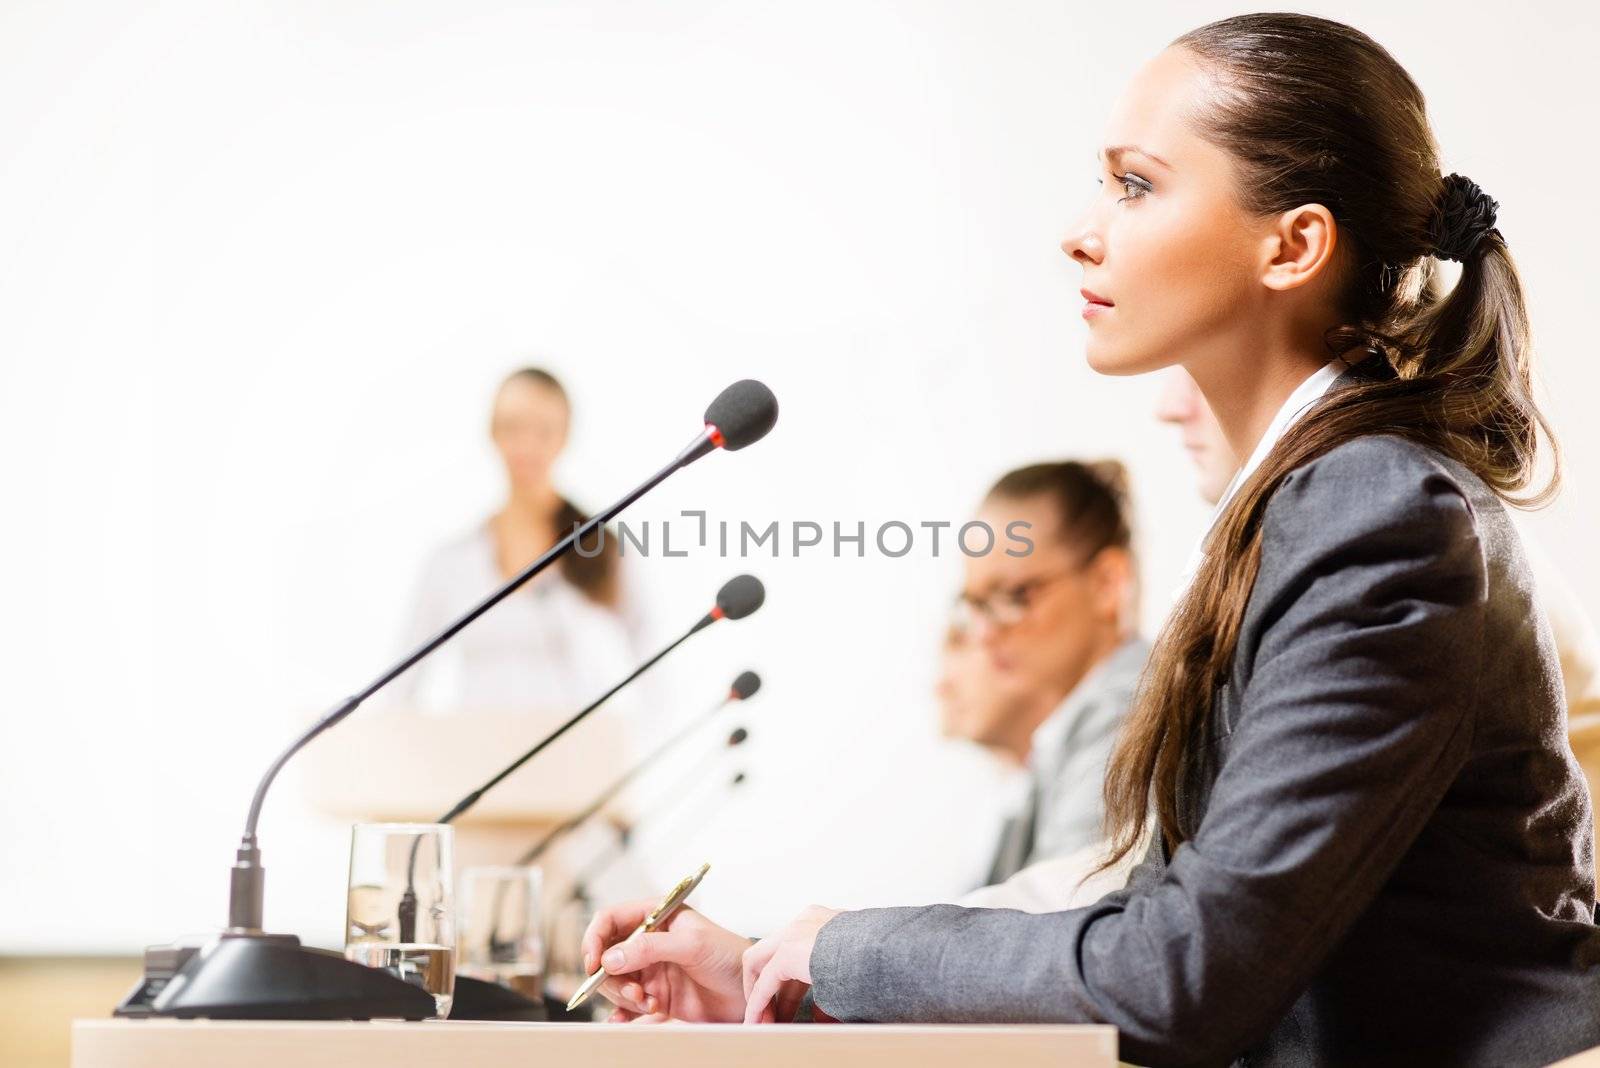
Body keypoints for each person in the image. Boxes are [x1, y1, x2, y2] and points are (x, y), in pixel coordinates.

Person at [581, 13, 1600, 1065]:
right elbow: (1156, 936)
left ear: (1291, 244)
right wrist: (781, 972)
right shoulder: (1315, 505)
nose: (1080, 230)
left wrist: (834, 953)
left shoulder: (1375, 513)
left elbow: (1177, 976)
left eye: (1135, 185)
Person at [1158, 364, 1600, 872]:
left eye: (1201, 374)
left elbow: (1250, 890)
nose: (1169, 408)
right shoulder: (1384, 512)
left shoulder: (1382, 522)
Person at [937, 461, 1148, 882]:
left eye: (1014, 596)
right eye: (975, 604)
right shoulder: (1066, 736)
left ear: (1108, 582)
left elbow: (1056, 923)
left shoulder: (1129, 715)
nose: (982, 634)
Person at [398, 367, 649, 715]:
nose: (527, 445)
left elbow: (653, 651)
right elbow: (401, 687)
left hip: (576, 758)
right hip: (480, 757)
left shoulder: (599, 546)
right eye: (513, 427)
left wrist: (637, 745)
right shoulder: (451, 561)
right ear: (492, 433)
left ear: (564, 436)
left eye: (543, 430)